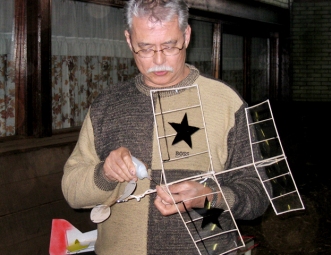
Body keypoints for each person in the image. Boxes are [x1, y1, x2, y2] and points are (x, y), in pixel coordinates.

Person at [62, 0, 270, 254]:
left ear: (186, 35)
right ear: (129, 40)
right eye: (145, 49)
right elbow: (72, 191)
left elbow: (258, 193)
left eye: (170, 46)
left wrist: (211, 197)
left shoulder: (225, 102)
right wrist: (104, 174)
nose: (159, 60)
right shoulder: (107, 105)